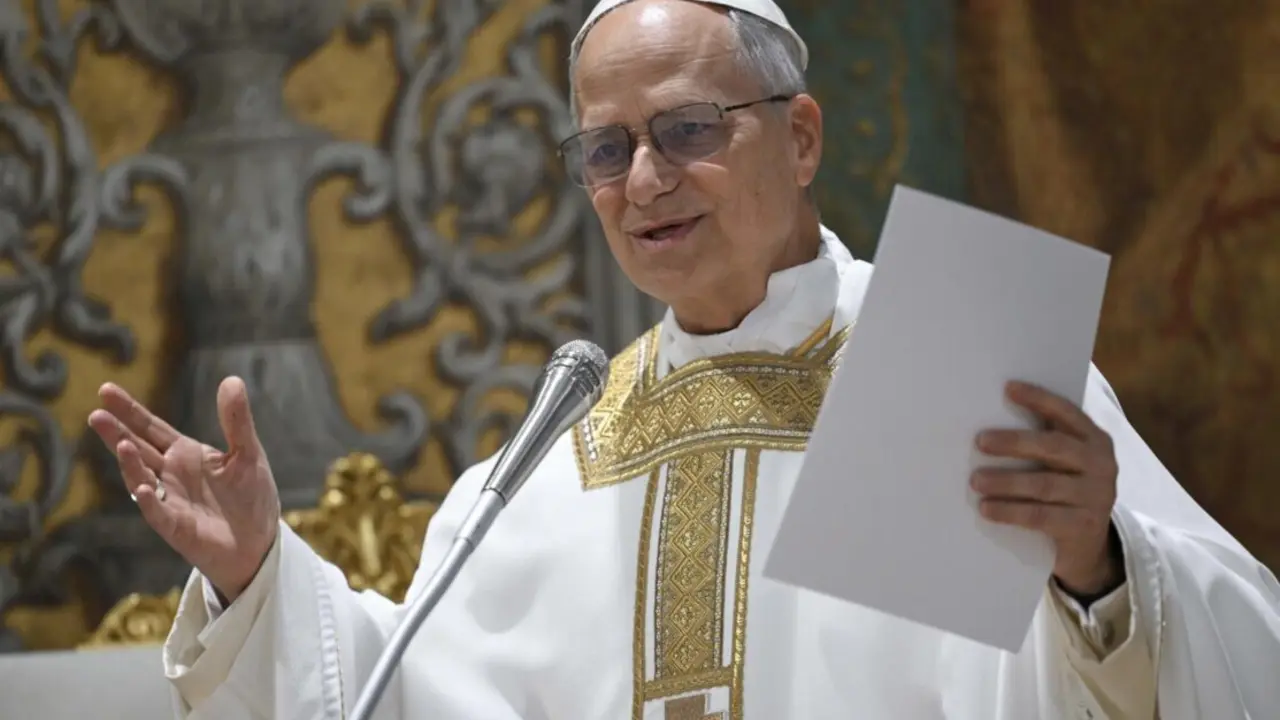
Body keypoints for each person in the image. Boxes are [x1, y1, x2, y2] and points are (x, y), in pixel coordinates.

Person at [87, 0, 1279, 718]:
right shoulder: (559, 455)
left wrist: (1096, 564)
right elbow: (410, 696)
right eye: (604, 150)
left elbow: (1234, 647)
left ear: (799, 135)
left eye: (686, 132)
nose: (643, 182)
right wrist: (258, 575)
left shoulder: (961, 366)